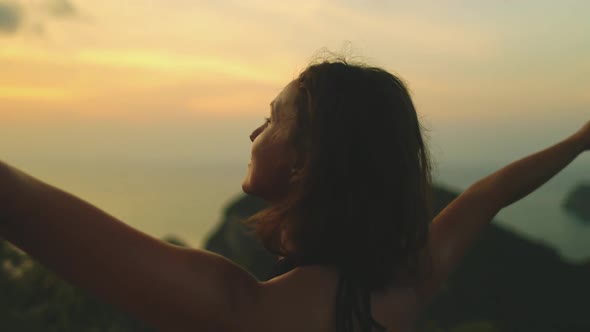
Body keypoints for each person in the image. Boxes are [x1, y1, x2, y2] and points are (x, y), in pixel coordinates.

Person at [0, 59, 588, 332]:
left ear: (310, 161)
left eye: (271, 118)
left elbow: (18, 204)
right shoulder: (407, 286)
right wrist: (583, 140)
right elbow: (493, 191)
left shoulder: (239, 309)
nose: (254, 133)